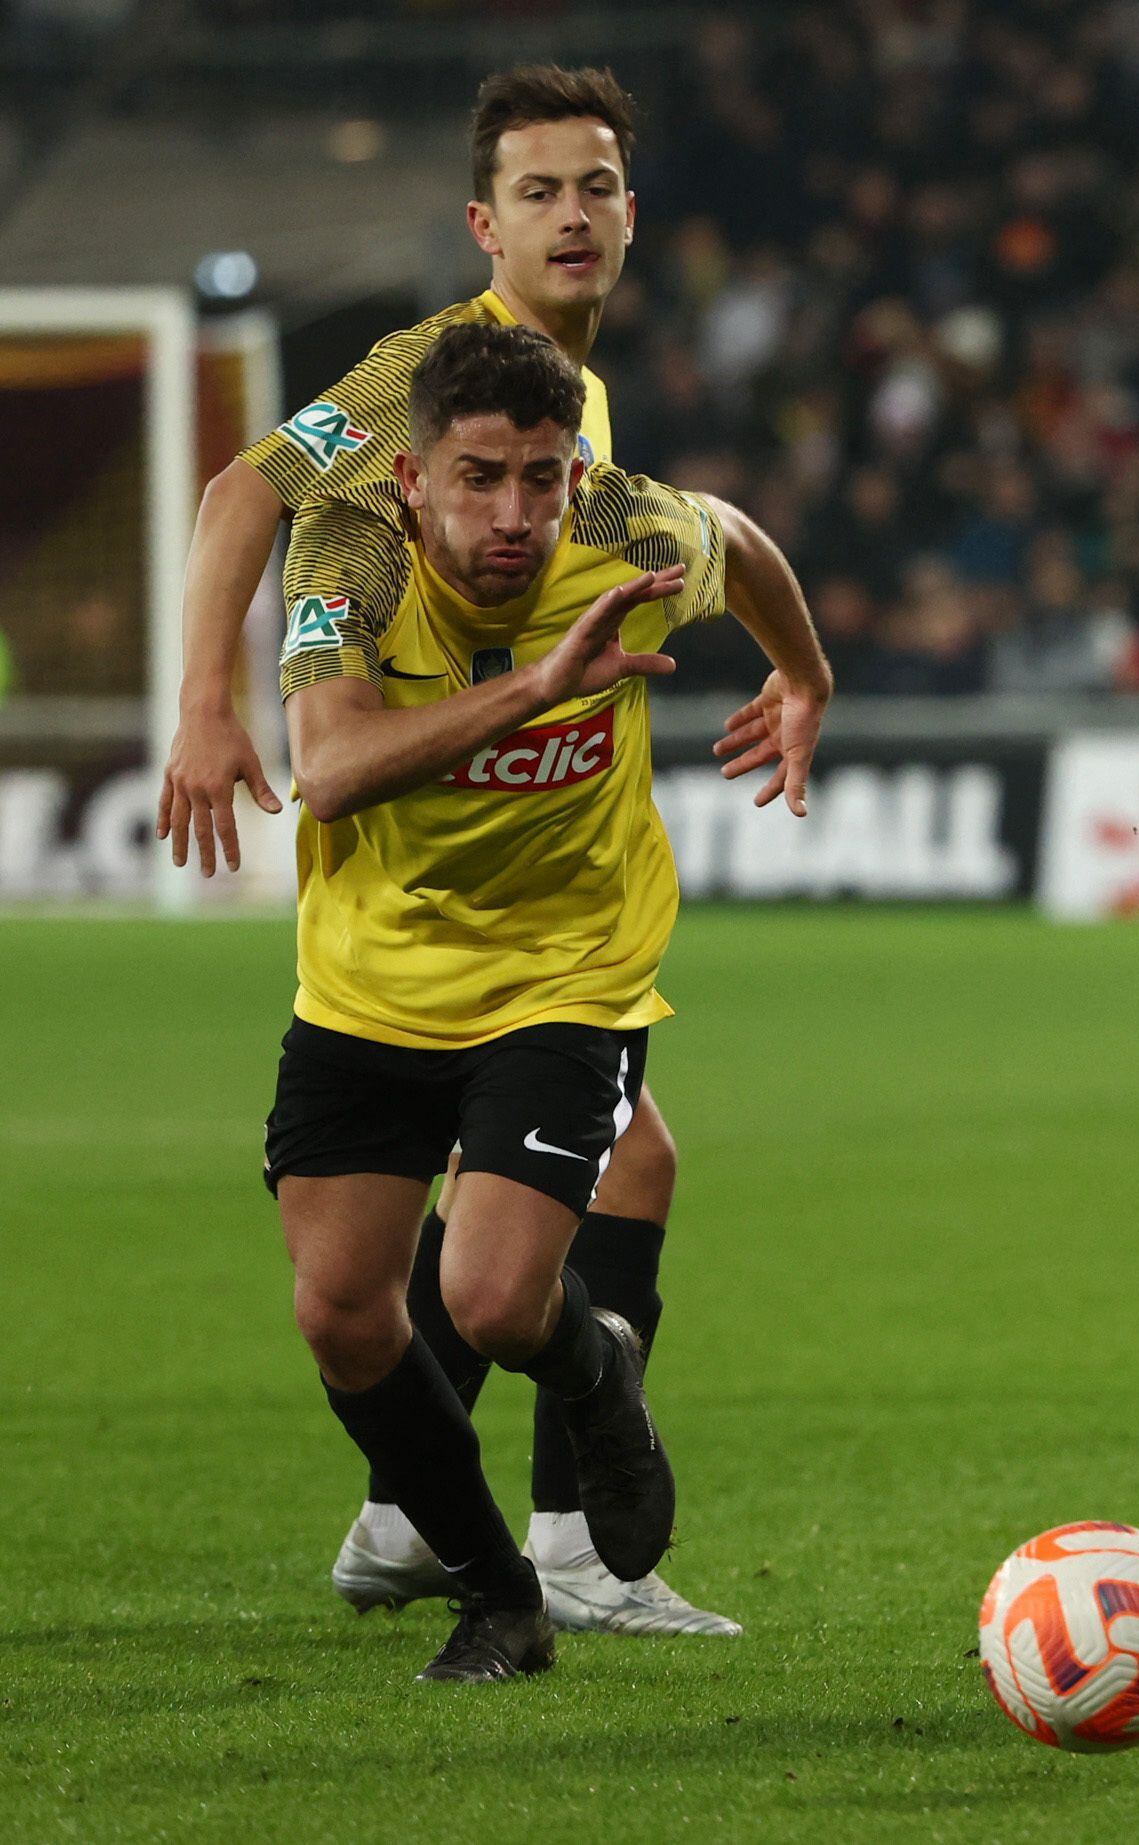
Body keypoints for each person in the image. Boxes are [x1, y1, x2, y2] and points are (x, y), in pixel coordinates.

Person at [158, 66, 785, 1635]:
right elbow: (245, 488)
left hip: (521, 896)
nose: (572, 215)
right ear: (483, 220)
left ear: (633, 212)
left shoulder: (562, 397)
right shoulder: (425, 374)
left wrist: (797, 665)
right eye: (538, 191)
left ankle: (420, 1522)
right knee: (543, 1204)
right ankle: (547, 1546)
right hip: (397, 849)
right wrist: (199, 706)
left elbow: (704, 533)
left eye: (596, 187)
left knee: (621, 1158)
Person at [267, 319, 830, 1682]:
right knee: (344, 1315)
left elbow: (741, 539)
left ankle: (592, 1379)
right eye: (478, 478)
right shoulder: (345, 551)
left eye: (539, 477)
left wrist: (803, 673)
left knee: (499, 1297)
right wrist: (537, 685)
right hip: (369, 978)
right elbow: (332, 770)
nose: (512, 512)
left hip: (566, 972)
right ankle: (500, 1592)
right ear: (411, 480)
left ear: (577, 474)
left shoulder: (634, 533)